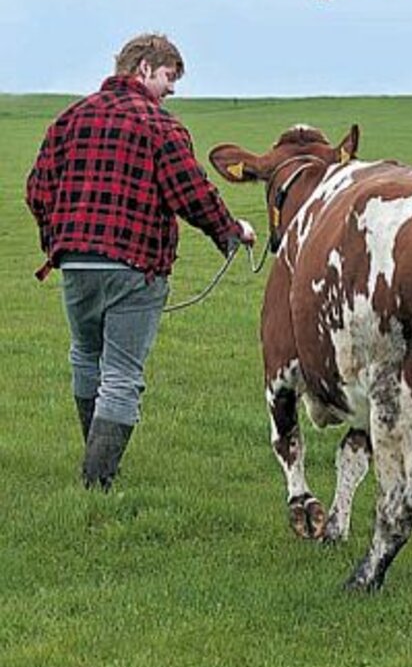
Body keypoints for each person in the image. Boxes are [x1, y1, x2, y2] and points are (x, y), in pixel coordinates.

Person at [26, 33, 255, 492]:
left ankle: (95, 466)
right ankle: (98, 479)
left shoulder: (69, 118)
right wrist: (231, 231)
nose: (172, 88)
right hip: (134, 266)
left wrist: (60, 241)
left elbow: (37, 190)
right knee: (122, 372)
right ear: (145, 68)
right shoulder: (160, 125)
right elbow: (190, 193)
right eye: (170, 76)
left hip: (74, 265)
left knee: (86, 357)